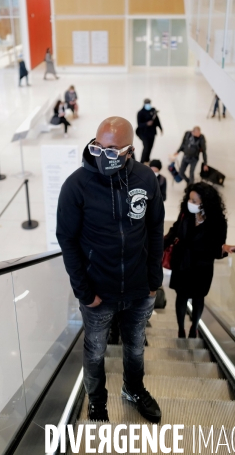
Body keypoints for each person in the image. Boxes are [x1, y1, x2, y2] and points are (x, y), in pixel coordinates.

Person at [57, 117, 165, 423]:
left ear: (130, 151)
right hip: (97, 293)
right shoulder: (76, 186)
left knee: (135, 349)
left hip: (138, 288)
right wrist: (84, 291)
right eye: (99, 147)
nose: (105, 156)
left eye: (114, 150)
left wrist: (153, 280)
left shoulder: (145, 179)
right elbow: (67, 239)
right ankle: (97, 400)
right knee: (94, 353)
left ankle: (133, 390)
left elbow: (155, 228)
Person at [164, 182, 235, 338]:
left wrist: (224, 248)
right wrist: (161, 243)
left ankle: (194, 327)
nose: (190, 203)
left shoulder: (217, 221)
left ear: (205, 202)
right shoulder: (186, 212)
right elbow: (175, 229)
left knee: (199, 298)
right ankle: (180, 330)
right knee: (181, 297)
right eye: (189, 199)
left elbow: (217, 248)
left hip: (202, 267)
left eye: (194, 201)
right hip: (182, 263)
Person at [136, 98, 163, 164]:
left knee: (150, 147)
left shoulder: (153, 110)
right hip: (144, 134)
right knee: (146, 147)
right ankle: (142, 162)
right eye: (147, 103)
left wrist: (160, 128)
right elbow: (139, 124)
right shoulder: (140, 113)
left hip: (152, 133)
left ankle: (147, 160)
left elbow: (157, 120)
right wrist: (146, 124)